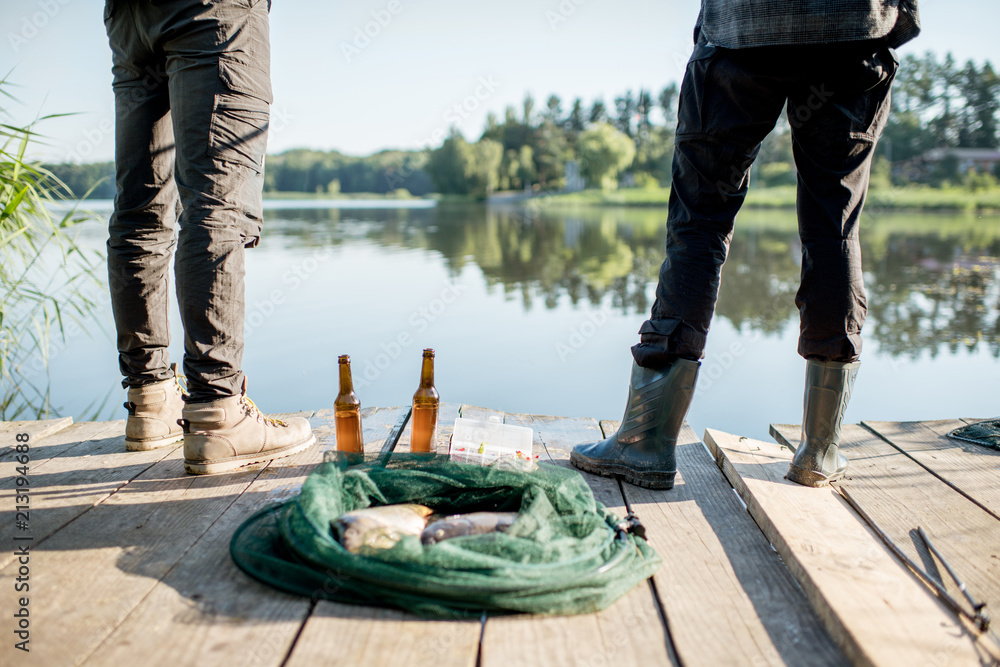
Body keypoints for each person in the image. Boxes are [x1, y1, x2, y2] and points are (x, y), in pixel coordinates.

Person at [571, 0, 920, 489]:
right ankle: (820, 449)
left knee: (699, 223)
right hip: (851, 35)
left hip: (742, 34)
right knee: (833, 227)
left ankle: (646, 440)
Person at [104, 0, 315, 474]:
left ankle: (152, 396)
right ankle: (217, 412)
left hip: (131, 16)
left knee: (140, 208)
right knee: (217, 203)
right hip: (213, 12)